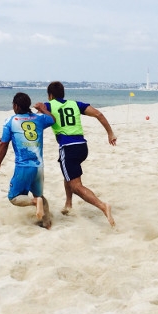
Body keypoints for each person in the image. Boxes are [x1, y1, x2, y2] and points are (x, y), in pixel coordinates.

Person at [44, 81, 117, 227]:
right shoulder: (75, 104)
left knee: (76, 185)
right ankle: (68, 204)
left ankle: (103, 206)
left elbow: (37, 119)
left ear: (50, 95)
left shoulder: (49, 105)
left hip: (67, 148)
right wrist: (110, 133)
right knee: (69, 175)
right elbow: (98, 114)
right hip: (82, 147)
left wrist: (41, 108)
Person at [0, 93, 55, 228]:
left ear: (15, 106)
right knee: (40, 195)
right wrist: (43, 108)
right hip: (39, 167)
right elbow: (52, 119)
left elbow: (4, 144)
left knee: (13, 197)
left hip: (23, 167)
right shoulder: (39, 118)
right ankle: (46, 222)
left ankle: (35, 202)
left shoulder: (10, 121)